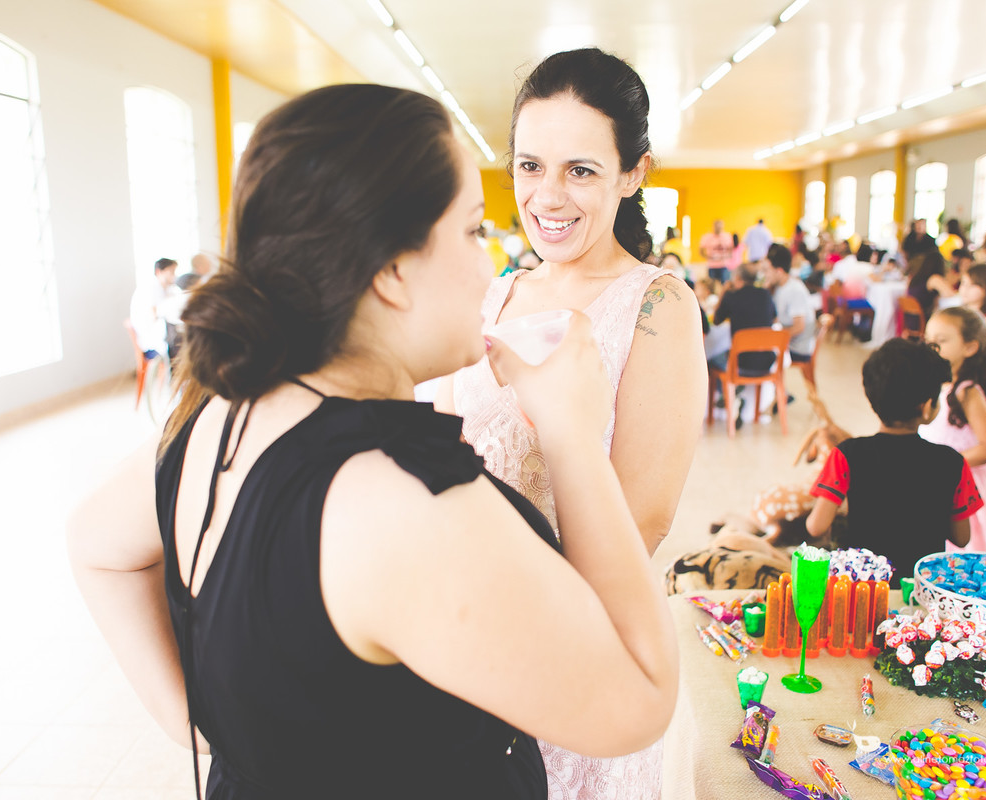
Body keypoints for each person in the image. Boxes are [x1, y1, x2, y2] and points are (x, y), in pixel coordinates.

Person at [68, 84, 680, 799]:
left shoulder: (221, 413)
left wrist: (206, 724)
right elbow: (641, 701)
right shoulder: (402, 498)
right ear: (391, 270)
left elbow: (96, 544)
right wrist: (571, 430)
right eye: (472, 233)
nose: (489, 268)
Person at [443, 48, 706, 800]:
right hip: (462, 648)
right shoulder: (493, 293)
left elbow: (642, 522)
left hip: (574, 654)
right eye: (530, 166)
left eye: (580, 170)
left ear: (633, 173)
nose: (547, 196)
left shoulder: (656, 306)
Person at [805, 338, 979, 586]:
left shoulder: (846, 453)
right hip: (922, 588)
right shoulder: (953, 462)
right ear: (926, 407)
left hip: (865, 589)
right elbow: (962, 538)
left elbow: (816, 526)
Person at [919, 307, 986, 555]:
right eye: (928, 341)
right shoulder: (941, 386)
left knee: (974, 550)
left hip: (971, 485)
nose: (932, 348)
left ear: (969, 347)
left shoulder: (967, 391)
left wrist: (944, 463)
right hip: (943, 479)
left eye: (941, 341)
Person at [711, 262, 777, 373]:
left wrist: (724, 291)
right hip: (767, 362)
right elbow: (774, 319)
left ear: (737, 278)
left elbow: (716, 321)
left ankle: (725, 384)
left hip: (740, 363)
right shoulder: (765, 294)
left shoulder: (731, 296)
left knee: (710, 360)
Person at [763, 243, 815, 364]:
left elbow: (799, 327)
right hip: (789, 341)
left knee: (756, 352)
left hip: (797, 348)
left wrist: (773, 338)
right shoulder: (779, 286)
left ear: (779, 271)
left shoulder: (794, 290)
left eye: (767, 271)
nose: (765, 275)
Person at [129, 256, 182, 358]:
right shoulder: (150, 288)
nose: (174, 276)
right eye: (171, 271)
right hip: (152, 343)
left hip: (161, 337)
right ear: (159, 272)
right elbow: (154, 315)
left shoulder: (167, 288)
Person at [907, 250, 956, 319]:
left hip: (911, 319)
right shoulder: (934, 278)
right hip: (925, 319)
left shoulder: (917, 277)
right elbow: (950, 294)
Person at [698, 218, 735, 283]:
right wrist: (708, 257)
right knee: (712, 284)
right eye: (717, 226)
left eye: (720, 226)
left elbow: (731, 250)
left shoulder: (727, 236)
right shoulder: (707, 237)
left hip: (724, 265)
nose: (718, 228)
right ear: (713, 226)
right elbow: (701, 250)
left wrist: (726, 257)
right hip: (712, 266)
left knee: (725, 284)